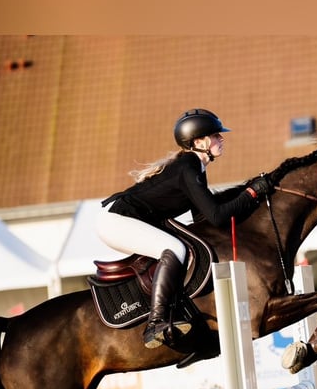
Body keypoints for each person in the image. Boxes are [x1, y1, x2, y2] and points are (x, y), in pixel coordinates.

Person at [98, 108, 273, 349]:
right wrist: (252, 193)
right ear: (199, 141)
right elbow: (217, 216)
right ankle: (156, 322)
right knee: (174, 249)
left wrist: (249, 196)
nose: (222, 138)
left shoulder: (194, 168)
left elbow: (204, 218)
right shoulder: (188, 168)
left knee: (182, 246)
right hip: (116, 222)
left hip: (124, 220)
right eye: (216, 135)